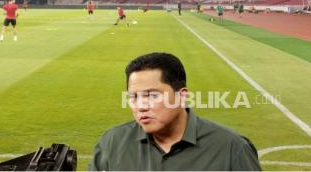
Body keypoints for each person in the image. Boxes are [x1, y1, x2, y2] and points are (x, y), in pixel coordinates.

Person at [89, 52, 261, 171]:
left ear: (181, 96)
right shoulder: (112, 142)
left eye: (152, 95)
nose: (141, 106)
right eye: (133, 97)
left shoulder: (232, 148)